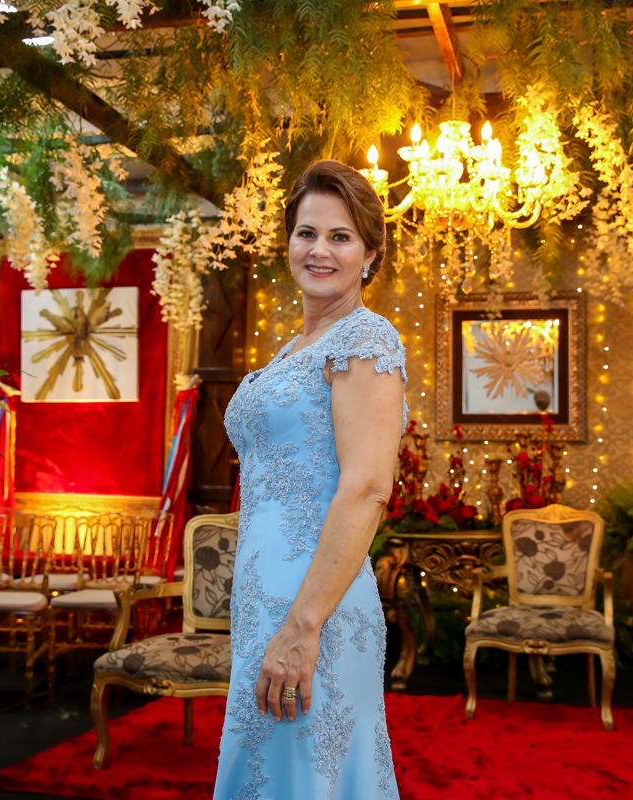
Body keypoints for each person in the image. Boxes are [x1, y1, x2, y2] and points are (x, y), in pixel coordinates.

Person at [213, 160, 407, 799]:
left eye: (340, 237)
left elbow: (367, 488)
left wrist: (303, 625)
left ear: (370, 255)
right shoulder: (294, 349)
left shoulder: (365, 338)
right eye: (307, 233)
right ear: (289, 243)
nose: (320, 250)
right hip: (265, 600)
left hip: (315, 606)